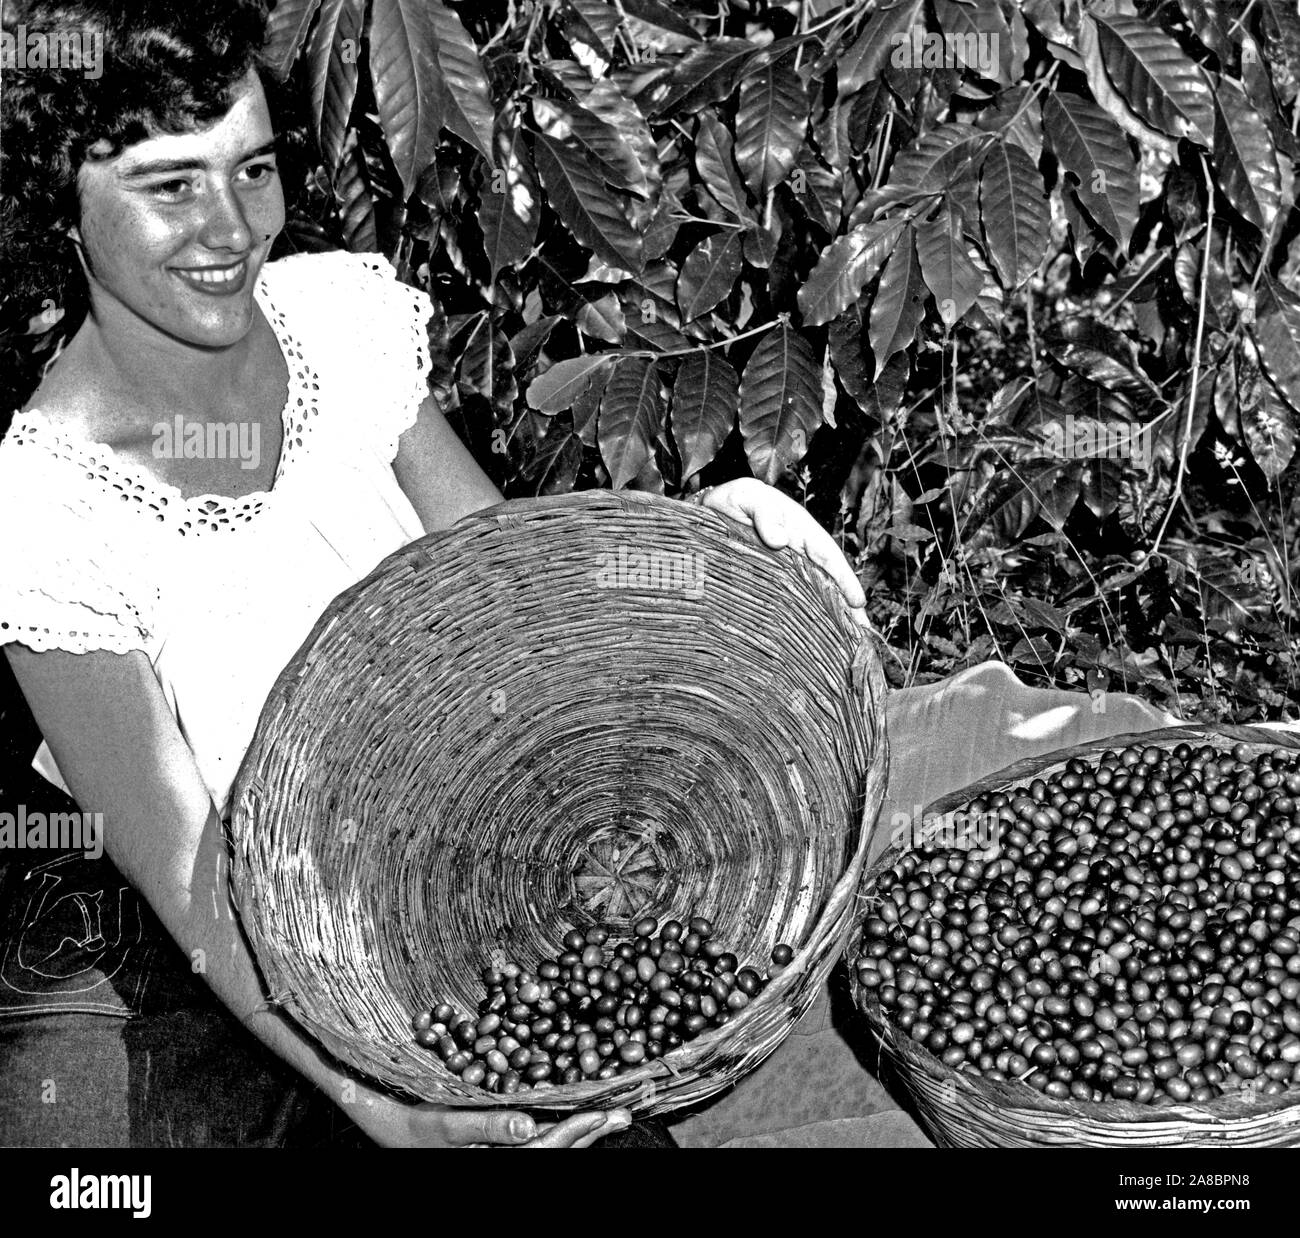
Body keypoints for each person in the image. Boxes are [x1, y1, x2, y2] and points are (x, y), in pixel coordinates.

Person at [0, 0, 868, 1148]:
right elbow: (192, 869)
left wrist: (701, 549)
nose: (232, 227)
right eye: (171, 186)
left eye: (252, 169)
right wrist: (392, 1110)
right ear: (63, 201)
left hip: (452, 843)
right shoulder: (46, 510)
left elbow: (513, 579)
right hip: (238, 948)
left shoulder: (333, 325)